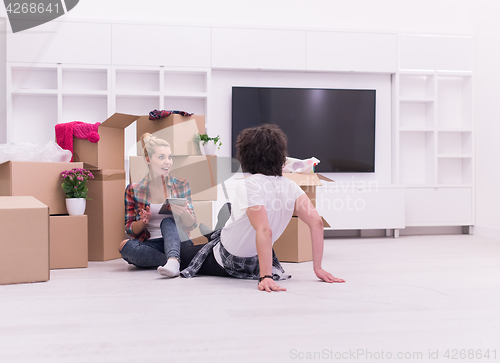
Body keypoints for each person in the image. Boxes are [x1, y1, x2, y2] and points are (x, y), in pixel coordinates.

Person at [179, 124, 345, 292]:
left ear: (246, 156)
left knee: (179, 250)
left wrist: (266, 277)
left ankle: (210, 235)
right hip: (256, 260)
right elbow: (316, 222)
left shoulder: (249, 184)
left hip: (230, 260)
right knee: (229, 209)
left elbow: (264, 230)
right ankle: (212, 234)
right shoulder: (291, 186)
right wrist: (318, 269)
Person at [119, 133, 197, 278]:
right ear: (148, 159)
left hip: (179, 242)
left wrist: (183, 213)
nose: (167, 162)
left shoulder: (181, 185)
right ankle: (176, 261)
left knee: (167, 221)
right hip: (151, 245)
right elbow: (130, 229)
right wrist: (143, 222)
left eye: (169, 157)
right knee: (124, 246)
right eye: (161, 157)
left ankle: (173, 260)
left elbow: (192, 224)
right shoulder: (133, 189)